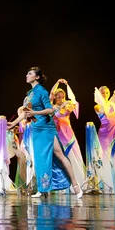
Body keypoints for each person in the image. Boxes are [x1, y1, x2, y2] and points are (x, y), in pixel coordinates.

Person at [7, 67, 82, 199]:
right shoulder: (29, 94)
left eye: (29, 74)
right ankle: (43, 189)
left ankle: (75, 185)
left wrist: (35, 113)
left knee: (59, 155)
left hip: (46, 128)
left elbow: (50, 110)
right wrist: (13, 124)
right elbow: (25, 113)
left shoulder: (41, 91)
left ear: (36, 77)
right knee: (40, 159)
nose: (26, 75)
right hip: (36, 129)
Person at [50, 78, 86, 194]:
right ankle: (63, 185)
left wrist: (67, 104)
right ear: (55, 98)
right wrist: (57, 83)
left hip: (69, 136)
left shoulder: (67, 105)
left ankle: (78, 182)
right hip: (58, 137)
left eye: (62, 96)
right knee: (61, 160)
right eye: (58, 97)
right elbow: (50, 94)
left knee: (74, 159)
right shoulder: (52, 108)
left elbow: (72, 105)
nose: (60, 99)